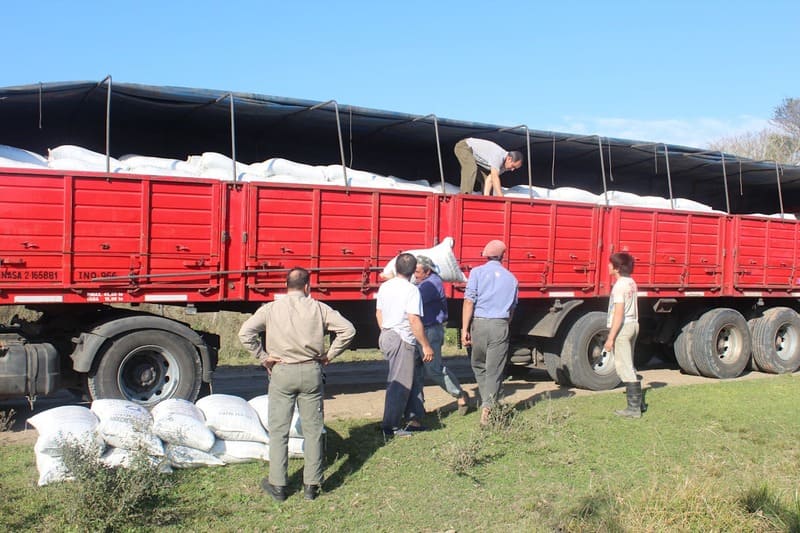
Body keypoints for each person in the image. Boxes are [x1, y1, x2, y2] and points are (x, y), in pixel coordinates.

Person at [238, 267, 356, 502]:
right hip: (311, 369)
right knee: (313, 430)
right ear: (307, 286)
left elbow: (245, 333)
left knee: (279, 429)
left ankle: (278, 485)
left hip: (282, 371)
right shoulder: (319, 307)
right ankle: (312, 485)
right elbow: (348, 330)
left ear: (286, 286)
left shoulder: (271, 308)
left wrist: (263, 357)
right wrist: (329, 354)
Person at [376, 252, 435, 438]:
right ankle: (390, 427)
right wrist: (425, 345)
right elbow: (413, 319)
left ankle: (406, 419)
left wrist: (387, 330)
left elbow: (379, 312)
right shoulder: (411, 290)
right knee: (399, 384)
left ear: (396, 267)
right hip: (402, 338)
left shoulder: (385, 286)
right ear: (412, 271)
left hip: (387, 333)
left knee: (399, 379)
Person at [461, 240, 518, 426]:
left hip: (480, 323)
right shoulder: (511, 278)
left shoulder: (476, 273)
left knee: (478, 364)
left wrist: (465, 328)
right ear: (503, 256)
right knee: (495, 368)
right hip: (500, 324)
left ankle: (487, 405)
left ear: (486, 255)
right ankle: (489, 405)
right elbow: (511, 310)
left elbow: (469, 301)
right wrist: (503, 324)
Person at [414, 255, 471, 415]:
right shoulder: (425, 282)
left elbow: (413, 301)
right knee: (415, 371)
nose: (415, 275)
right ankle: (417, 408)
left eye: (417, 272)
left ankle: (460, 394)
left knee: (434, 369)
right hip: (421, 330)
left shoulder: (430, 285)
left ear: (427, 271)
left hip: (430, 331)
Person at [603, 252, 643, 419]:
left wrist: (610, 338)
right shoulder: (631, 282)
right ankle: (639, 403)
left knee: (624, 366)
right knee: (630, 363)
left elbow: (618, 313)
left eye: (611, 264)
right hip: (634, 324)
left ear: (617, 268)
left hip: (623, 327)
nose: (608, 266)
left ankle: (633, 409)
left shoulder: (619, 286)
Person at [455, 137, 523, 197]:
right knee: (471, 167)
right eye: (513, 166)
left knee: (485, 177)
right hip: (465, 147)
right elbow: (494, 177)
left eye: (515, 168)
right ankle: (465, 194)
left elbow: (490, 179)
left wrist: (486, 196)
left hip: (474, 156)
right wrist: (501, 196)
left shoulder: (504, 166)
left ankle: (487, 200)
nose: (512, 169)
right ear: (509, 159)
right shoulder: (499, 155)